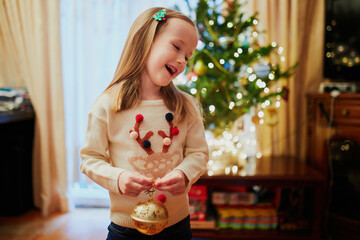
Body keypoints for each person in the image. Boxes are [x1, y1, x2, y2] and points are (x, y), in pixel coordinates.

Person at [80, 7, 209, 240]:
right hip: (126, 229)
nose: (182, 61)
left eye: (188, 56)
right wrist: (117, 178)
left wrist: (184, 174)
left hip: (177, 226)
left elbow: (198, 153)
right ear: (144, 39)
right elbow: (90, 159)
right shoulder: (107, 105)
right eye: (177, 47)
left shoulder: (186, 106)